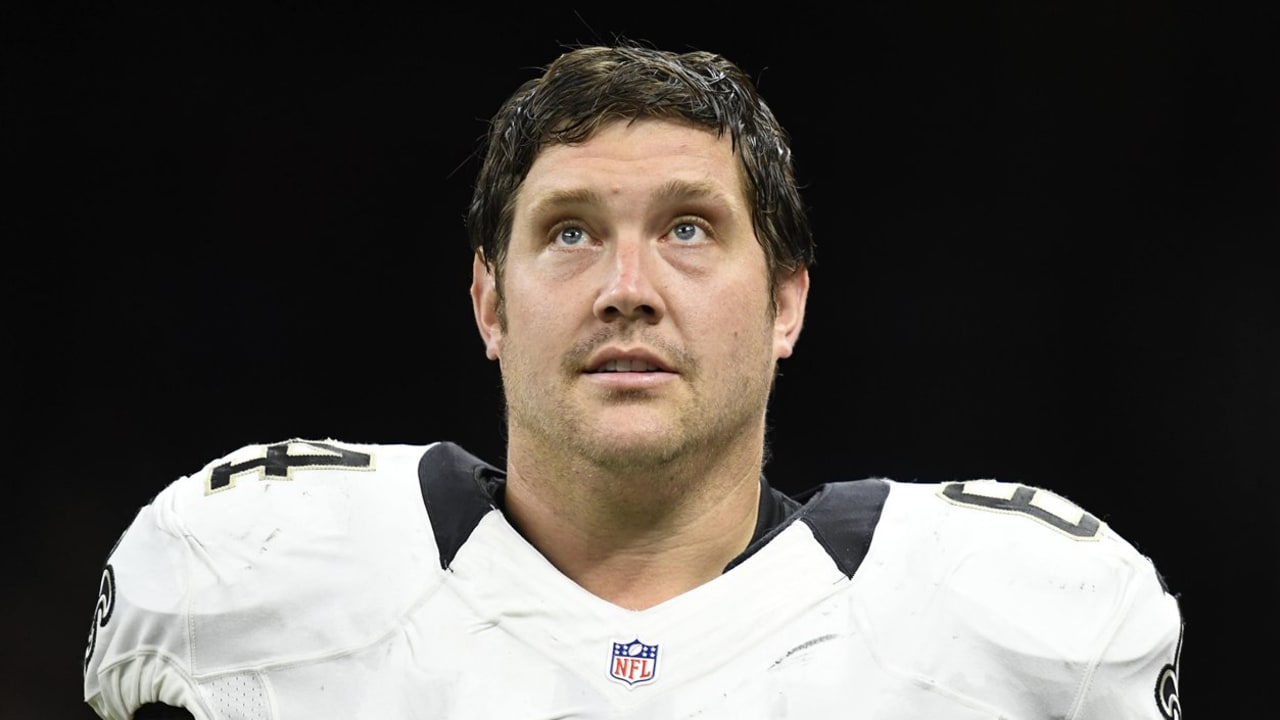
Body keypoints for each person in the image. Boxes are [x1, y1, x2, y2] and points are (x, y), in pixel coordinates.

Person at [82, 43, 1184, 719]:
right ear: (488, 302)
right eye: (567, 233)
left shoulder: (1017, 624)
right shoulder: (248, 573)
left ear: (786, 301)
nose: (626, 288)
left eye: (688, 229)